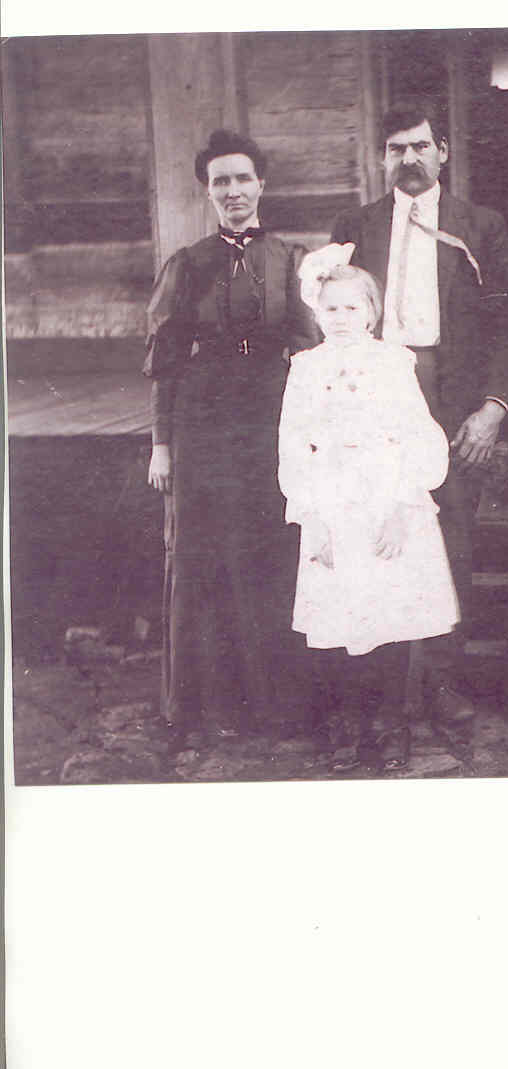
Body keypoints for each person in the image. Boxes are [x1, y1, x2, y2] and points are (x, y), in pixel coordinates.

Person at [329, 98, 508, 729]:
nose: (408, 158)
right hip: (375, 392)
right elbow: (332, 315)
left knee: (448, 536)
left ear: (443, 152)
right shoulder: (354, 226)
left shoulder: (481, 225)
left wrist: (492, 408)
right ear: (381, 158)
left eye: (419, 146)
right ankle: (381, 687)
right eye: (396, 149)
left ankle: (442, 682)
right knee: (372, 526)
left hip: (448, 396)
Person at [145, 128, 320, 749]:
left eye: (243, 178)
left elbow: (310, 341)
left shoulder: (290, 260)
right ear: (208, 192)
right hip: (204, 422)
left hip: (271, 418)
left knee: (269, 551)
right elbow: (166, 360)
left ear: (261, 184)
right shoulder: (188, 263)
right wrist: (162, 443)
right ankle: (208, 705)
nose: (234, 191)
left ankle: (275, 704)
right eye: (221, 181)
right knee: (206, 555)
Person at [278, 250, 459, 772]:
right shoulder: (306, 367)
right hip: (331, 499)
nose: (340, 318)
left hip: (386, 495)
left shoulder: (393, 361)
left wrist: (404, 508)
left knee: (390, 610)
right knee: (339, 610)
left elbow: (417, 434)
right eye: (330, 309)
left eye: (351, 308)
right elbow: (293, 441)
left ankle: (390, 723)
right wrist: (311, 516)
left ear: (372, 312)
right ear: (316, 313)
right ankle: (347, 722)